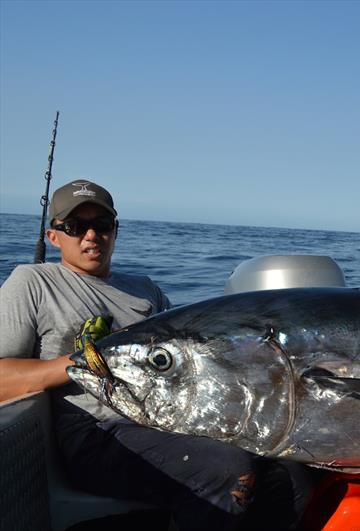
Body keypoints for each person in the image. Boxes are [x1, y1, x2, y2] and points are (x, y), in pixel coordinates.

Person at [0, 180, 311, 530]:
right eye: (75, 227)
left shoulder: (145, 290)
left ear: (115, 231)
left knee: (291, 469)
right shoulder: (33, 283)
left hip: (176, 420)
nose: (91, 235)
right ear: (53, 236)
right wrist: (89, 361)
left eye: (102, 225)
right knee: (226, 468)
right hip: (98, 435)